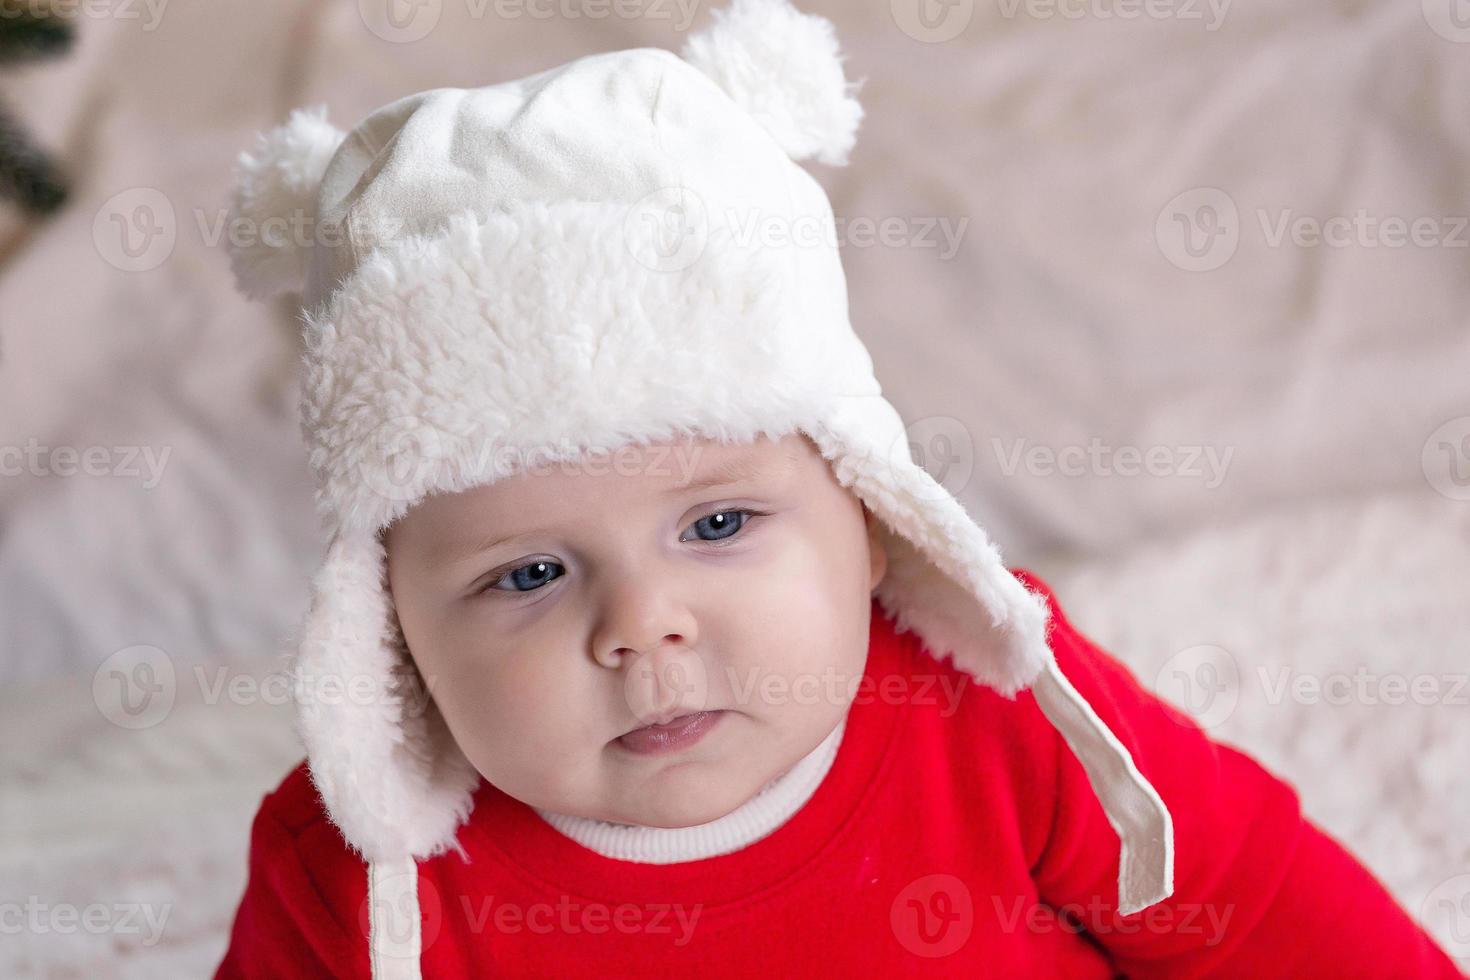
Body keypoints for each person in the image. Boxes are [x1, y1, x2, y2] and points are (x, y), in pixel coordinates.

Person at [213, 0, 1463, 975]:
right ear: (391, 627)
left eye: (717, 522)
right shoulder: (363, 882)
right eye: (528, 573)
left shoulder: (985, 697)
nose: (644, 624)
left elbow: (1250, 901)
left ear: (869, 517)